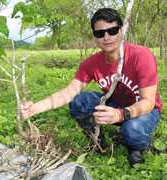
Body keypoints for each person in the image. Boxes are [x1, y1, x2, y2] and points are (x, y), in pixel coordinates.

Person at [20, 8, 162, 166]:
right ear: (94, 36)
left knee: (133, 129)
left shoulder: (141, 56)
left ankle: (137, 148)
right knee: (79, 101)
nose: (106, 37)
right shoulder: (91, 63)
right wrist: (35, 108)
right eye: (100, 33)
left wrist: (121, 115)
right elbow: (69, 92)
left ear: (121, 31)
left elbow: (148, 102)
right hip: (114, 105)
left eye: (112, 31)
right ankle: (98, 140)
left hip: (144, 110)